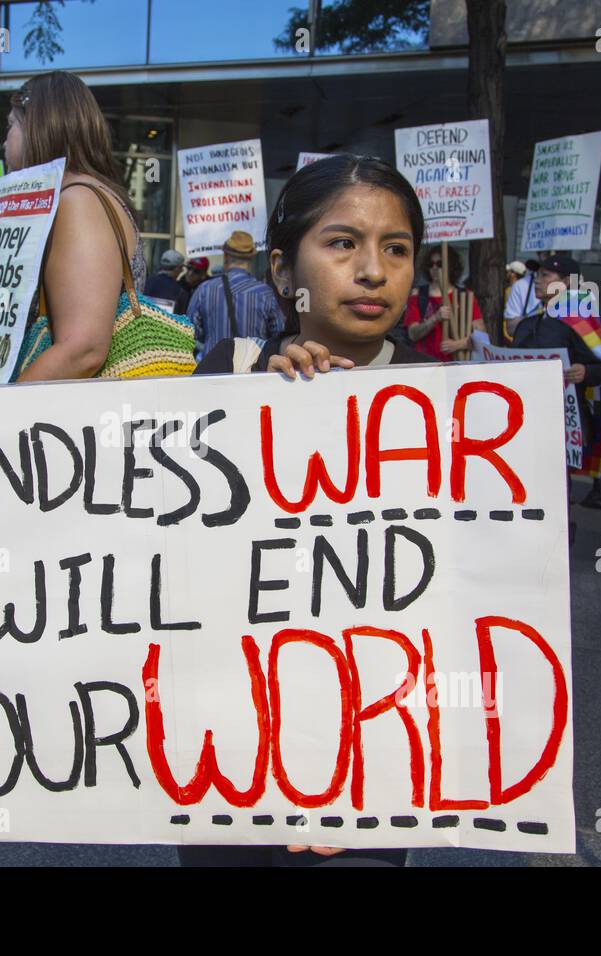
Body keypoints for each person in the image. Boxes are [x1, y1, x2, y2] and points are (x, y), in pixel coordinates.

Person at [192, 155, 431, 866]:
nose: (372, 271)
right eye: (342, 243)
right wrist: (248, 412)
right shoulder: (225, 371)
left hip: (372, 752)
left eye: (396, 248)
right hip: (226, 741)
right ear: (282, 271)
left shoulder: (449, 402)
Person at [0, 70, 149, 383]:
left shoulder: (78, 202)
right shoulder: (69, 200)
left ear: (38, 127)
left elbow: (83, 348)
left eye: (10, 126)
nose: (4, 141)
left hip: (54, 421)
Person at [511, 255, 601, 544]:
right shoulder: (526, 323)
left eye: (546, 276)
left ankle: (557, 535)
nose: (538, 282)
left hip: (559, 418)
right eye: (537, 276)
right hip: (521, 417)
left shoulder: (580, 323)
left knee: (554, 481)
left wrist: (585, 371)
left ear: (568, 283)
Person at [186, 230, 286, 360]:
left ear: (226, 256)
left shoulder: (204, 290)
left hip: (212, 372)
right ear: (251, 258)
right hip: (251, 372)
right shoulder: (266, 294)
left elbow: (190, 333)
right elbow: (279, 337)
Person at [401, 243, 485, 361]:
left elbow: (481, 336)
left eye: (440, 264)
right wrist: (435, 318)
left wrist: (459, 344)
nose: (435, 268)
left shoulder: (464, 296)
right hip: (426, 366)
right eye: (431, 264)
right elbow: (412, 334)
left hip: (456, 366)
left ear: (450, 266)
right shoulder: (418, 295)